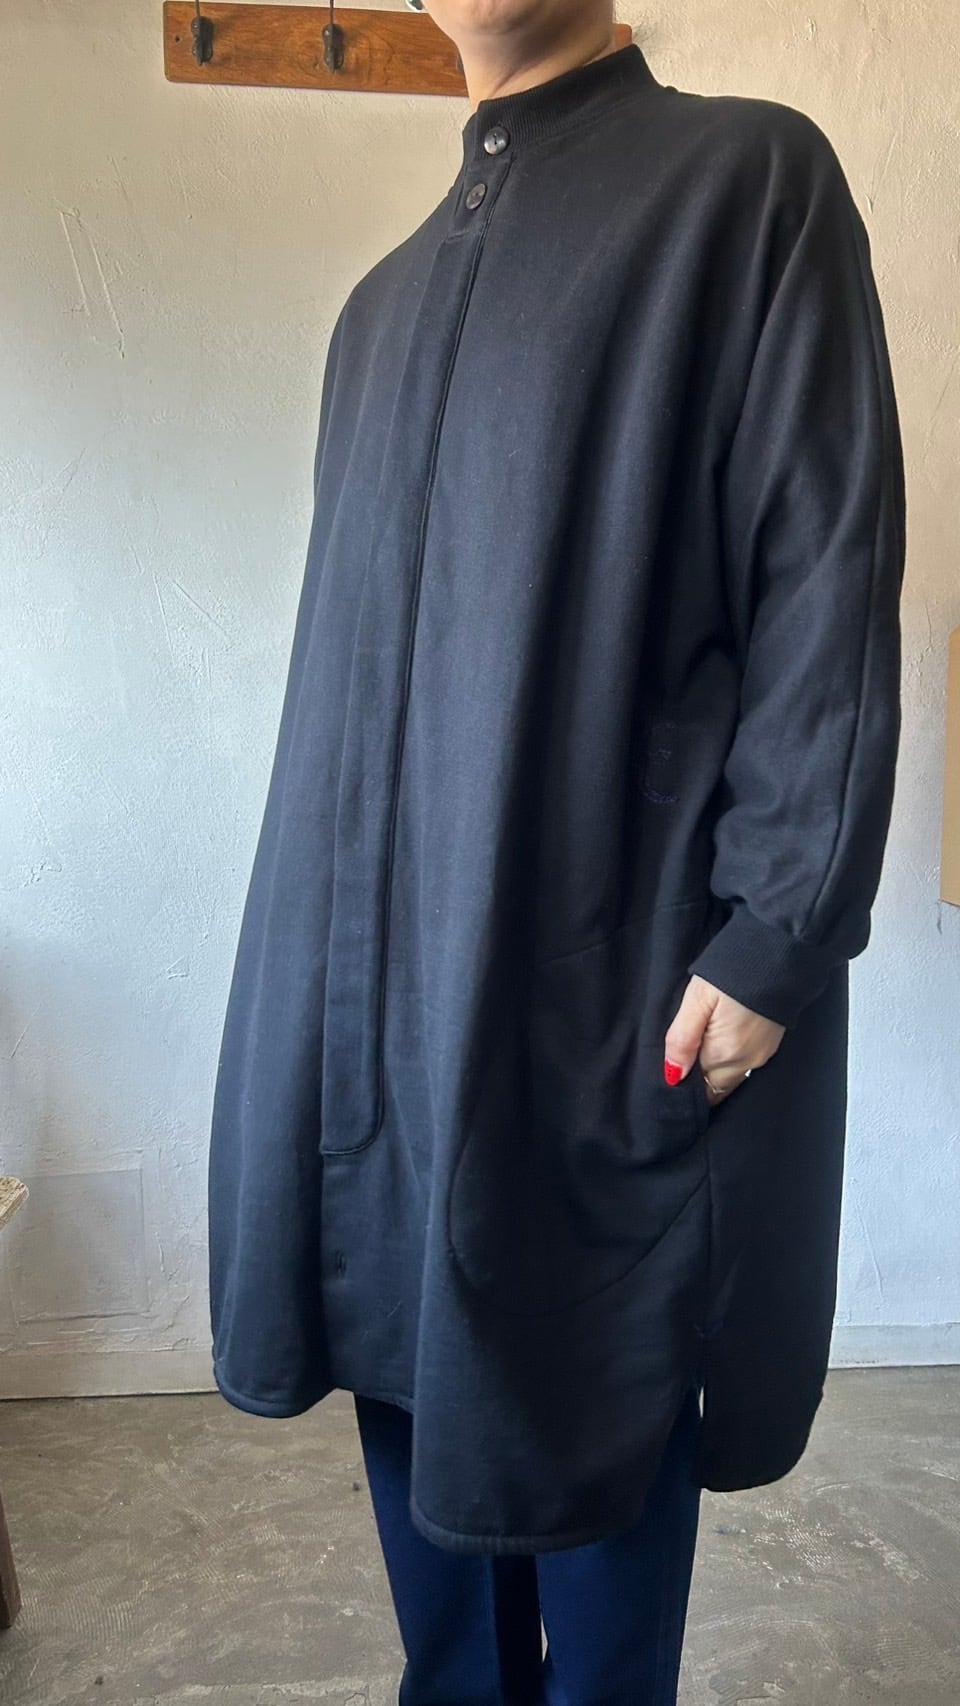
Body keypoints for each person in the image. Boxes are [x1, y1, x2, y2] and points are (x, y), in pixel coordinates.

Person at [206, 3, 906, 1699]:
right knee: (401, 1352)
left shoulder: (747, 186)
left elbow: (825, 572)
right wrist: (311, 1000)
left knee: (594, 1387)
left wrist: (777, 927)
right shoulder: (378, 313)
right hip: (372, 986)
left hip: (609, 965)